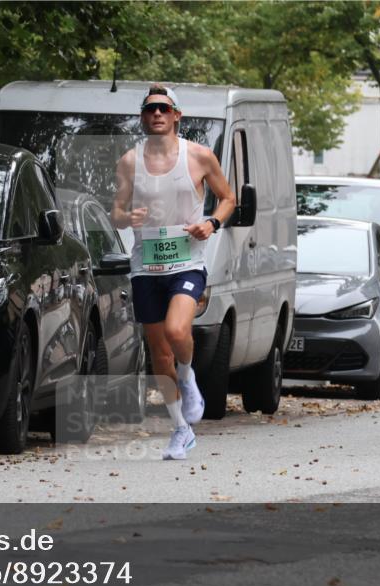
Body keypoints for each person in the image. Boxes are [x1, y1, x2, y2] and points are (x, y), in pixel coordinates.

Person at [111, 84, 236, 460]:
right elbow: (115, 210)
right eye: (150, 110)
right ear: (143, 117)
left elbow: (229, 198)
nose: (157, 115)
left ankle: (187, 374)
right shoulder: (129, 161)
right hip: (145, 266)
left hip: (187, 261)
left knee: (177, 330)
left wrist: (212, 223)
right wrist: (126, 216)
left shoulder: (199, 156)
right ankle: (180, 428)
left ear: (177, 116)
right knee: (158, 354)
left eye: (164, 109)